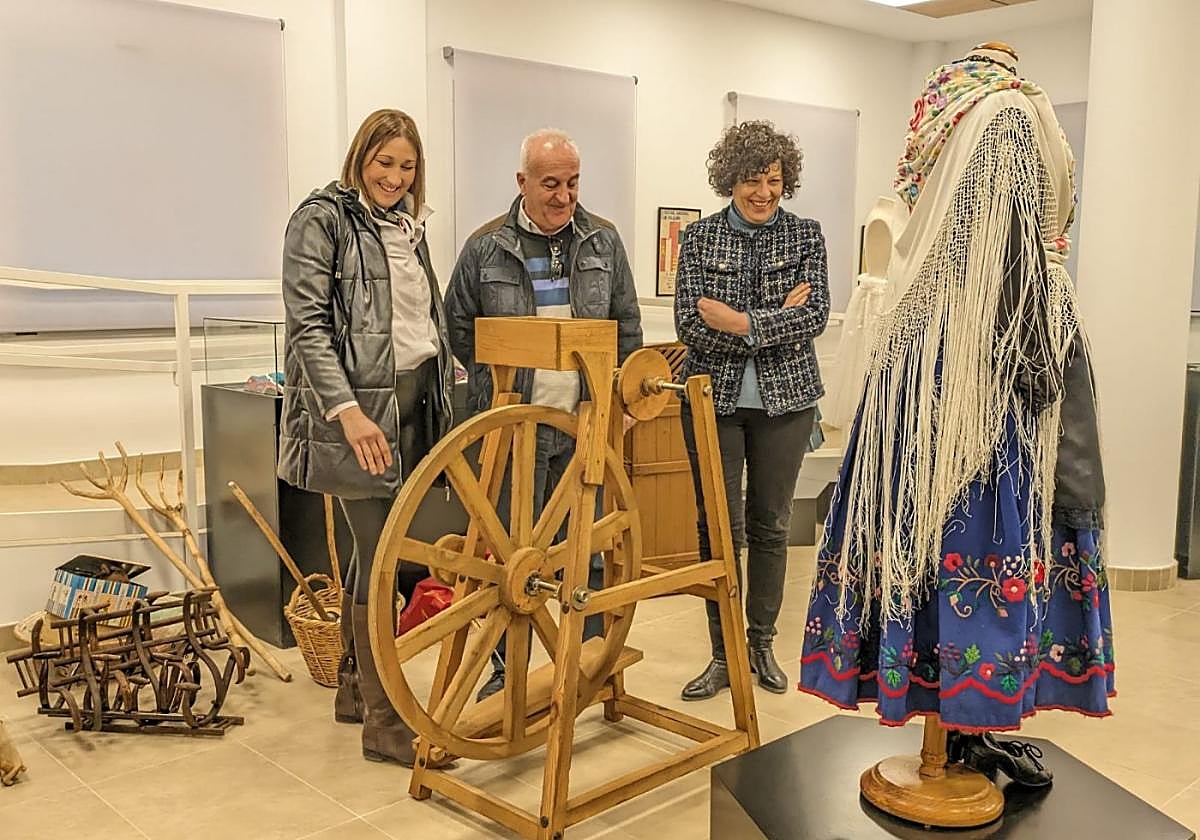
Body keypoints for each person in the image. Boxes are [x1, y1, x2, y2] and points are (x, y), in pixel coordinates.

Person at [798, 43, 1112, 787]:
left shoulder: (961, 114)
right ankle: (957, 717)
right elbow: (1004, 253)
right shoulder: (1007, 114)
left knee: (940, 529)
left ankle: (959, 721)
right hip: (969, 367)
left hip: (952, 358)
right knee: (950, 523)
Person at [278, 109, 456, 768]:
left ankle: (355, 689)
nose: (394, 176)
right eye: (384, 162)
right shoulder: (320, 219)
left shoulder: (409, 227)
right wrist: (348, 413)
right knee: (385, 559)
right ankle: (387, 722)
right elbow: (307, 328)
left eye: (406, 166)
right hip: (355, 416)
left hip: (409, 406)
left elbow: (415, 322)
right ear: (360, 158)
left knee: (368, 550)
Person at [443, 128, 643, 702]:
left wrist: (619, 406)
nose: (564, 196)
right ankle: (510, 673)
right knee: (514, 558)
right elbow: (461, 331)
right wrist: (498, 386)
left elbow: (626, 328)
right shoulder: (486, 248)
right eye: (551, 183)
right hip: (515, 429)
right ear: (522, 182)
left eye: (573, 182)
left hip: (585, 424)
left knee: (589, 548)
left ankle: (590, 662)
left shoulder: (603, 241)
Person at [674, 120, 829, 701]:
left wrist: (740, 321)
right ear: (728, 180)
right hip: (712, 400)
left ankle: (760, 643)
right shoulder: (698, 237)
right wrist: (775, 321)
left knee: (772, 526)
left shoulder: (807, 235)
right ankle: (722, 654)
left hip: (786, 404)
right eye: (750, 180)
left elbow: (813, 319)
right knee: (718, 530)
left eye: (773, 180)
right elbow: (691, 323)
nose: (762, 192)